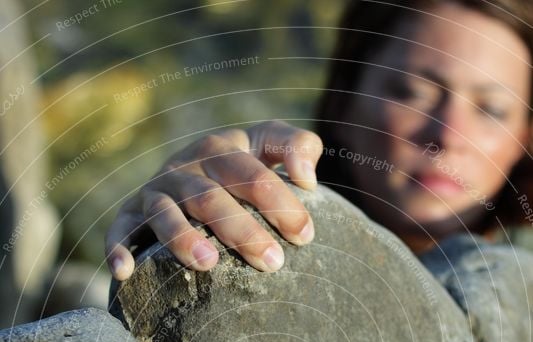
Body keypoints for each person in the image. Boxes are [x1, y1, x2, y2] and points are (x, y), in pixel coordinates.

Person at [105, 0, 533, 281]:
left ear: (523, 141)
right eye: (413, 92)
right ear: (344, 102)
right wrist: (176, 220)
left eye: (492, 109)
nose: (448, 135)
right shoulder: (264, 226)